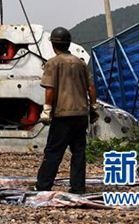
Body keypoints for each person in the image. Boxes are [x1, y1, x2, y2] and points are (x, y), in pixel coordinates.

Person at [35, 26, 99, 194]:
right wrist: (93, 108)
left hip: (63, 115)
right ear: (68, 43)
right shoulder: (80, 63)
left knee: (53, 151)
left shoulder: (53, 63)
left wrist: (47, 109)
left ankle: (43, 186)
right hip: (81, 115)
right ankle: (78, 188)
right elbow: (91, 88)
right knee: (79, 152)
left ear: (53, 45)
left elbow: (50, 89)